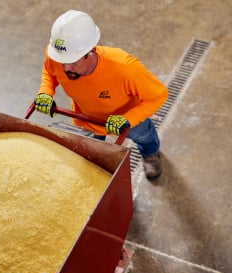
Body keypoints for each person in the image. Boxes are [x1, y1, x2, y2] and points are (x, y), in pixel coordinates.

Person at [34, 10, 168, 179]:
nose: (65, 68)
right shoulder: (59, 55)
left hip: (127, 119)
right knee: (92, 148)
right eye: (62, 62)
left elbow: (159, 95)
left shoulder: (125, 69)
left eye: (73, 62)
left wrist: (128, 119)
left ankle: (150, 155)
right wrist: (46, 93)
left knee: (145, 137)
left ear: (90, 51)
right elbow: (49, 72)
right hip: (86, 118)